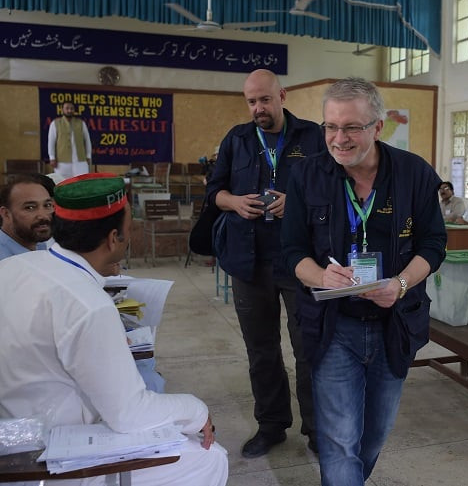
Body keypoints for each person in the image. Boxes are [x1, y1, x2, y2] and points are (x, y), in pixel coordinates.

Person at [0, 173, 228, 486]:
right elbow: (129, 413)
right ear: (112, 239)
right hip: (53, 456)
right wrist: (197, 410)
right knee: (208, 458)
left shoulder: (13, 266)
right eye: (129, 229)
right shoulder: (88, 304)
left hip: (12, 438)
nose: (129, 236)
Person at [280, 77, 447, 485]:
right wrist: (321, 275)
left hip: (396, 324)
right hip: (333, 327)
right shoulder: (306, 176)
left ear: (378, 126)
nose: (338, 139)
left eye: (351, 127)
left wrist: (401, 284)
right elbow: (290, 252)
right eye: (330, 127)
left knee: (372, 438)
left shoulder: (414, 174)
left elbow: (434, 244)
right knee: (338, 440)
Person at [207, 68, 325, 458]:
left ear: (282, 96)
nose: (258, 108)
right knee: (261, 349)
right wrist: (235, 202)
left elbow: (331, 186)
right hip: (248, 259)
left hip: (299, 260)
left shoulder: (313, 137)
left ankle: (316, 430)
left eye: (264, 99)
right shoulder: (237, 139)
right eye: (251, 101)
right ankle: (271, 425)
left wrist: (296, 200)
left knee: (308, 347)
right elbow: (215, 193)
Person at [0, 173, 54, 260]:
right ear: (6, 214)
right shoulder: (3, 261)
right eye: (30, 207)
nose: (43, 215)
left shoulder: (40, 246)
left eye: (47, 205)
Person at [48, 101, 93, 179]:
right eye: (67, 108)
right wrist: (52, 158)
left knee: (82, 182)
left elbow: (87, 140)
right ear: (62, 109)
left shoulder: (81, 123)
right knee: (63, 183)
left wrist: (88, 155)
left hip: (80, 160)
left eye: (71, 108)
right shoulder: (55, 123)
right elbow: (51, 142)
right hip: (62, 161)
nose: (69, 110)